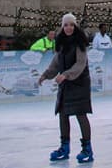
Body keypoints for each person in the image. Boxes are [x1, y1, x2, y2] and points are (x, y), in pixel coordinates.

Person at [39, 13, 95, 163]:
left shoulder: (80, 42)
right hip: (66, 83)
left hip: (79, 82)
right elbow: (56, 63)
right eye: (65, 25)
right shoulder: (61, 42)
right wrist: (45, 75)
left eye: (71, 24)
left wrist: (66, 75)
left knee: (80, 114)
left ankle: (87, 149)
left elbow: (80, 64)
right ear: (62, 27)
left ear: (75, 26)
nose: (68, 27)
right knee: (63, 114)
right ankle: (64, 147)